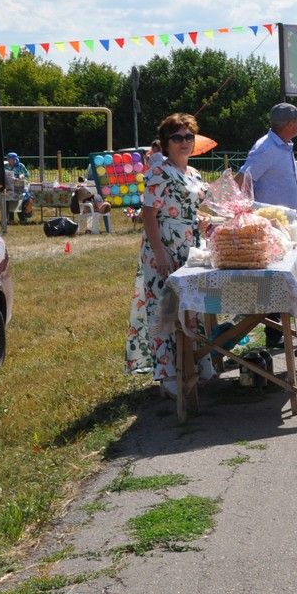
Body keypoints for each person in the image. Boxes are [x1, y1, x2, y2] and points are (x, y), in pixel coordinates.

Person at [124, 113, 210, 397]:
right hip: (164, 247)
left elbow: (195, 209)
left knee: (193, 306)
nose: (185, 142)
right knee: (165, 310)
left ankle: (195, 363)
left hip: (191, 248)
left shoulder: (194, 173)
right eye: (178, 137)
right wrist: (160, 253)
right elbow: (149, 215)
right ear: (166, 142)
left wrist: (205, 220)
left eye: (189, 137)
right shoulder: (159, 172)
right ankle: (167, 374)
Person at [241, 103, 297, 211]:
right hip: (271, 222)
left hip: (285, 219)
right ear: (290, 124)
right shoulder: (266, 148)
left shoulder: (282, 145)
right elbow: (242, 180)